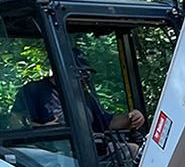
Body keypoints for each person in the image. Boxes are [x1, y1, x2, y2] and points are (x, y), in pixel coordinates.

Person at [12, 46, 144, 136]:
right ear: (60, 69)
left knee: (133, 150)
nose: (82, 78)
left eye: (85, 74)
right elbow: (15, 123)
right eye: (78, 73)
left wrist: (132, 118)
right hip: (51, 154)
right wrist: (48, 128)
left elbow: (106, 122)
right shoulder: (34, 90)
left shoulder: (84, 95)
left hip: (88, 152)